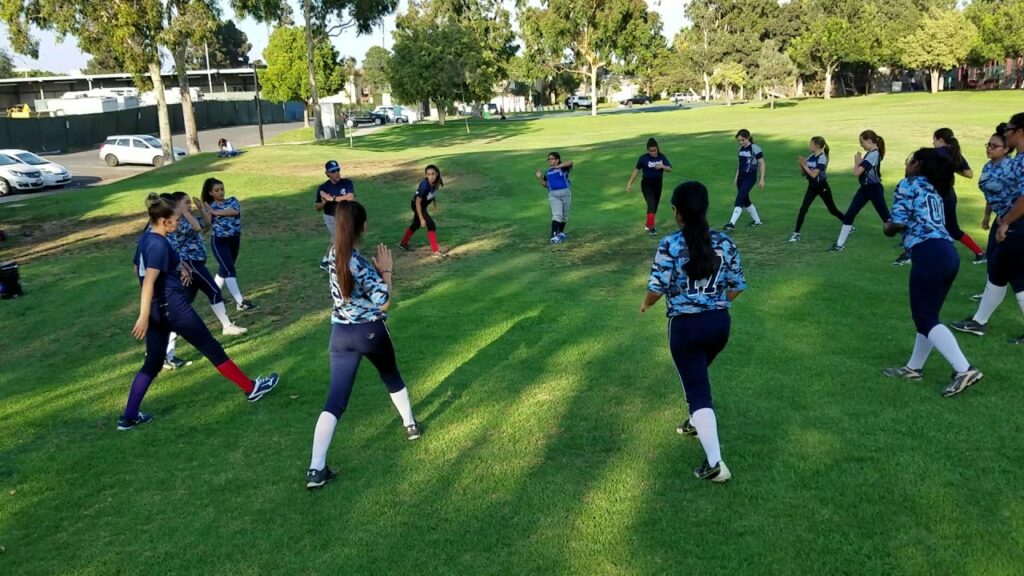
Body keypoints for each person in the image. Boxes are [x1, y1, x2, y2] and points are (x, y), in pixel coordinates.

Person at [119, 193, 279, 430]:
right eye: (175, 220)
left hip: (158, 310)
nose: (178, 223)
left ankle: (129, 417)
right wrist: (142, 317)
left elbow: (138, 268)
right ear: (164, 221)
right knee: (211, 347)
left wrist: (180, 267)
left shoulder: (146, 239)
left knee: (152, 363)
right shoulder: (159, 243)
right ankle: (251, 388)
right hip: (172, 307)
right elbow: (149, 282)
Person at [306, 201, 421, 490]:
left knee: (335, 401)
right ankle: (410, 426)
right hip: (370, 332)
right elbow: (384, 300)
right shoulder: (358, 263)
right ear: (363, 226)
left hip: (341, 335)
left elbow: (337, 268)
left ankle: (316, 470)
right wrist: (387, 271)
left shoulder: (333, 254)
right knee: (391, 375)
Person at [641, 181, 746, 483]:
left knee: (697, 390)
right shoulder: (725, 243)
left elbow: (656, 288)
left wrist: (645, 305)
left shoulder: (670, 244)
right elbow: (737, 285)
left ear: (677, 211)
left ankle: (715, 465)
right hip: (719, 325)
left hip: (686, 327)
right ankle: (694, 421)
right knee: (697, 377)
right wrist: (714, 305)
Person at [881, 148, 983, 397]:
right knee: (929, 316)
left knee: (924, 317)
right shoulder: (934, 189)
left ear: (916, 165)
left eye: (909, 160)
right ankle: (914, 368)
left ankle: (964, 369)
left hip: (928, 254)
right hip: (947, 253)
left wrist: (887, 227)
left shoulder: (909, 184)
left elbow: (899, 223)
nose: (907, 164)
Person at [951, 116, 1024, 343]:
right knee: (1005, 273)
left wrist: (1005, 222)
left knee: (1008, 273)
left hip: (1017, 223)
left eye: (1009, 130)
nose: (1007, 134)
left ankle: (980, 322)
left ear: (1020, 132)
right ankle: (979, 322)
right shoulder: (1018, 159)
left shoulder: (1021, 160)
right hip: (1013, 221)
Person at [893, 128, 985, 265]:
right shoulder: (955, 154)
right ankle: (979, 253)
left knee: (926, 224)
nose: (933, 142)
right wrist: (951, 169)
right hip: (948, 194)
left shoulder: (935, 154)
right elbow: (969, 173)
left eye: (934, 140)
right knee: (943, 226)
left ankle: (909, 253)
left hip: (934, 194)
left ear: (940, 139)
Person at [166, 191, 247, 336]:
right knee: (214, 291)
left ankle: (166, 348)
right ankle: (227, 326)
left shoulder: (187, 219)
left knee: (184, 303)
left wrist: (202, 209)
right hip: (190, 263)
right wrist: (185, 213)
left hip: (194, 263)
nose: (189, 205)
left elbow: (207, 225)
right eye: (186, 202)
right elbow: (197, 227)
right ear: (177, 205)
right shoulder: (179, 223)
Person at [202, 178, 258, 311]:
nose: (221, 192)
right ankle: (240, 302)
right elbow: (207, 224)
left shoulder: (232, 200)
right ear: (210, 193)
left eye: (222, 189)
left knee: (224, 269)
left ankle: (215, 294)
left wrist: (215, 212)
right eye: (217, 190)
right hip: (219, 241)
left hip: (234, 239)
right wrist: (204, 210)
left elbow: (234, 211)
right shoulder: (208, 206)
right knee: (229, 269)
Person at [831, 130, 889, 252]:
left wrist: (857, 160)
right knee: (850, 214)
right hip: (865, 189)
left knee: (887, 219)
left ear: (869, 141)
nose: (861, 145)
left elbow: (856, 172)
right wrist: (859, 160)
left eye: (861, 142)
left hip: (874, 189)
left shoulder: (874, 154)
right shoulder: (870, 153)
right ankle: (839, 244)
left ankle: (908, 240)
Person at [789, 136, 845, 242]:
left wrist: (804, 165)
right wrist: (802, 165)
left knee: (832, 210)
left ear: (817, 146)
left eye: (811, 144)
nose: (809, 146)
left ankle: (848, 223)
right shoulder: (811, 156)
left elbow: (814, 174)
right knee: (803, 209)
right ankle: (796, 233)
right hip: (812, 187)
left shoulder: (822, 158)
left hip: (822, 187)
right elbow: (803, 173)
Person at [626, 138, 673, 237]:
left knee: (654, 206)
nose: (653, 152)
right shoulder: (643, 158)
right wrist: (630, 183)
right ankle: (651, 227)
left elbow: (670, 168)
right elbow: (636, 170)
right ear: (647, 150)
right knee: (651, 204)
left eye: (654, 150)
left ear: (657, 149)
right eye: (650, 151)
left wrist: (662, 166)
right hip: (647, 184)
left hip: (658, 184)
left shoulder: (661, 157)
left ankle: (648, 224)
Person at [398, 165, 447, 258]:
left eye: (433, 174)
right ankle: (435, 251)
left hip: (423, 206)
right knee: (431, 224)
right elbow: (417, 203)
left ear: (437, 173)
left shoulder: (437, 181)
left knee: (415, 225)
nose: (431, 176)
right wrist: (421, 219)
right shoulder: (424, 186)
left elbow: (433, 192)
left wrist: (434, 204)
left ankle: (403, 243)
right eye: (428, 174)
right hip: (417, 205)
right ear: (426, 176)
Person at [315, 160, 355, 271]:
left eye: (338, 170)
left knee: (340, 239)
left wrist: (332, 199)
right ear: (327, 173)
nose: (337, 173)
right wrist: (324, 202)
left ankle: (326, 261)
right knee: (338, 238)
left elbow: (350, 197)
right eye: (333, 171)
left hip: (346, 215)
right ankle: (341, 262)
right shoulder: (323, 188)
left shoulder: (347, 183)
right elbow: (317, 207)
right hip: (331, 217)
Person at [724, 129, 765, 232]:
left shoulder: (755, 148)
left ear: (748, 137)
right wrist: (736, 177)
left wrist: (762, 179)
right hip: (741, 178)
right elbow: (740, 164)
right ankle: (757, 221)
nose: (741, 142)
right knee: (745, 200)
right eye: (739, 141)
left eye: (742, 140)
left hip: (750, 177)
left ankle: (731, 223)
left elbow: (762, 163)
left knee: (740, 197)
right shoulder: (740, 149)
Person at [535, 151, 574, 244]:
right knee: (557, 215)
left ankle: (560, 233)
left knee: (564, 216)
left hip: (566, 193)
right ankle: (553, 236)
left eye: (551, 159)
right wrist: (540, 177)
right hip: (554, 195)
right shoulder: (548, 171)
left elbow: (570, 162)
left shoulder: (563, 168)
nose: (549, 161)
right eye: (549, 159)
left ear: (557, 159)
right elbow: (545, 185)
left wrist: (558, 166)